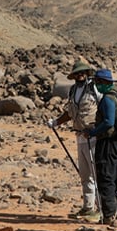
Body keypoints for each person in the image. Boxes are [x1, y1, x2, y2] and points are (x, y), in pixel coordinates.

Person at [47, 60, 101, 222]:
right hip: (79, 136)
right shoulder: (73, 91)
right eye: (77, 73)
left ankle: (102, 209)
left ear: (87, 73)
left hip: (93, 136)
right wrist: (56, 122)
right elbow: (70, 112)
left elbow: (104, 108)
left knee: (96, 173)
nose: (80, 75)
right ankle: (88, 207)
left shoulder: (94, 89)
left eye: (83, 72)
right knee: (85, 174)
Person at [84, 69, 117, 228]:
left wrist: (92, 132)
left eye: (97, 82)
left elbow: (109, 122)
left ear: (103, 82)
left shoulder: (108, 99)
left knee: (106, 178)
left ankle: (110, 215)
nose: (95, 85)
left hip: (109, 142)